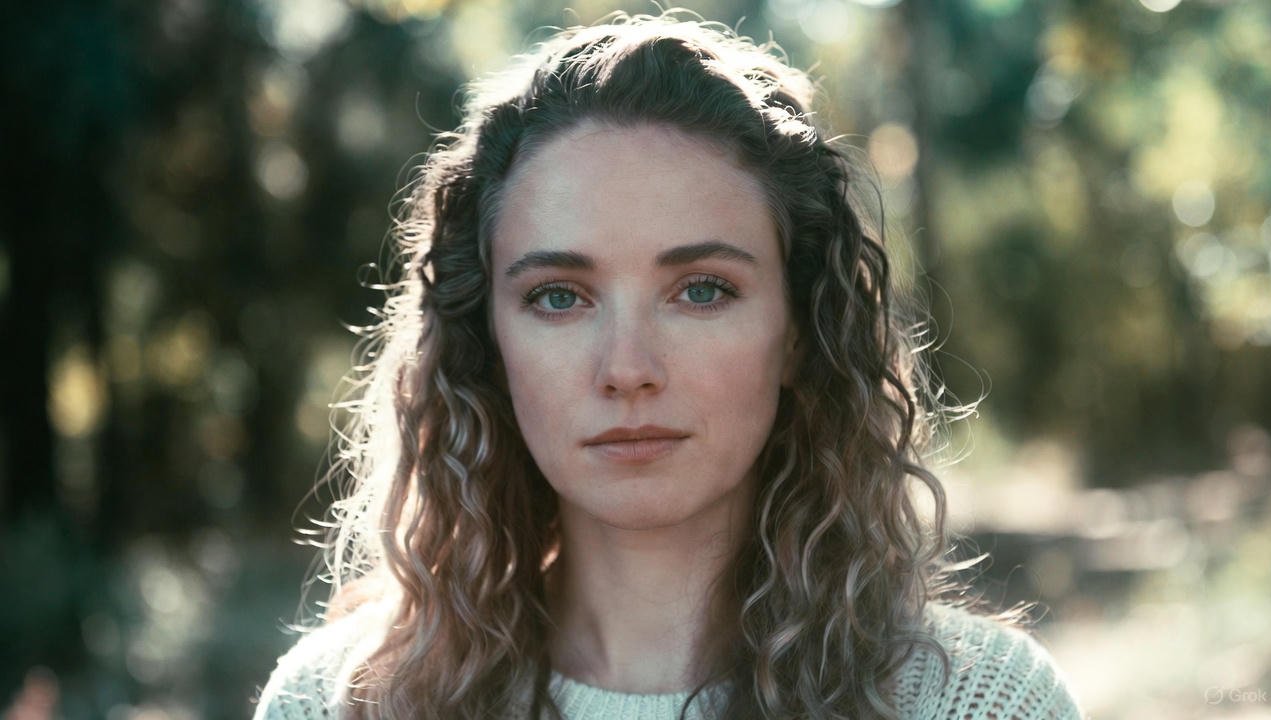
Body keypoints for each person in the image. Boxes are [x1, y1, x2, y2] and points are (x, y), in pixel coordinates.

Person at [253, 11, 1084, 720]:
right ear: (488, 343)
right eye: (558, 297)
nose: (628, 369)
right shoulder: (342, 702)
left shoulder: (976, 703)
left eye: (702, 291)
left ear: (799, 332)